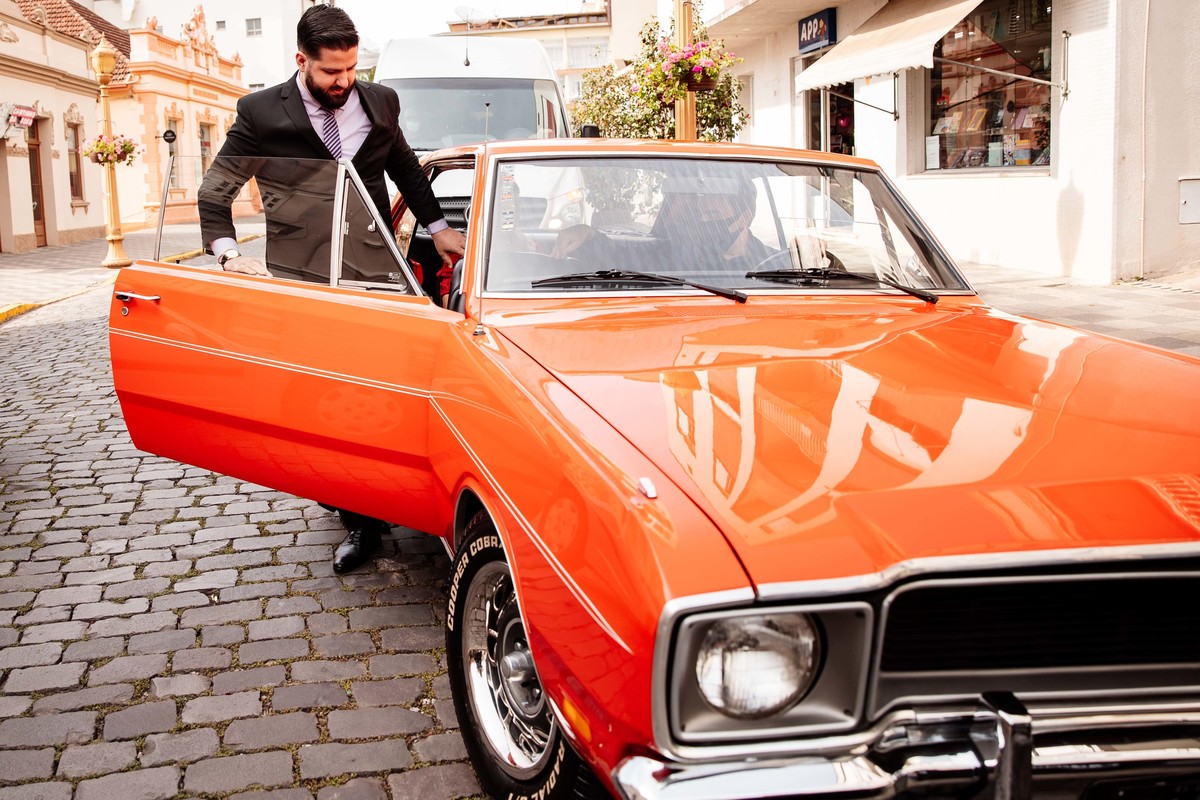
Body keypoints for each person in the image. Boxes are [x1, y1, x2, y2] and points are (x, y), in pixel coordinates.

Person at [197, 4, 466, 573]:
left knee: (385, 389)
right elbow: (214, 192)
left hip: (376, 269)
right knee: (323, 403)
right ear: (302, 60)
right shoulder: (260, 112)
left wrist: (439, 230)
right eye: (330, 73)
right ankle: (358, 519)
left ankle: (395, 491)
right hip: (304, 276)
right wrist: (228, 256)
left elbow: (406, 168)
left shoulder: (381, 101)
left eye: (350, 70)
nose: (344, 83)